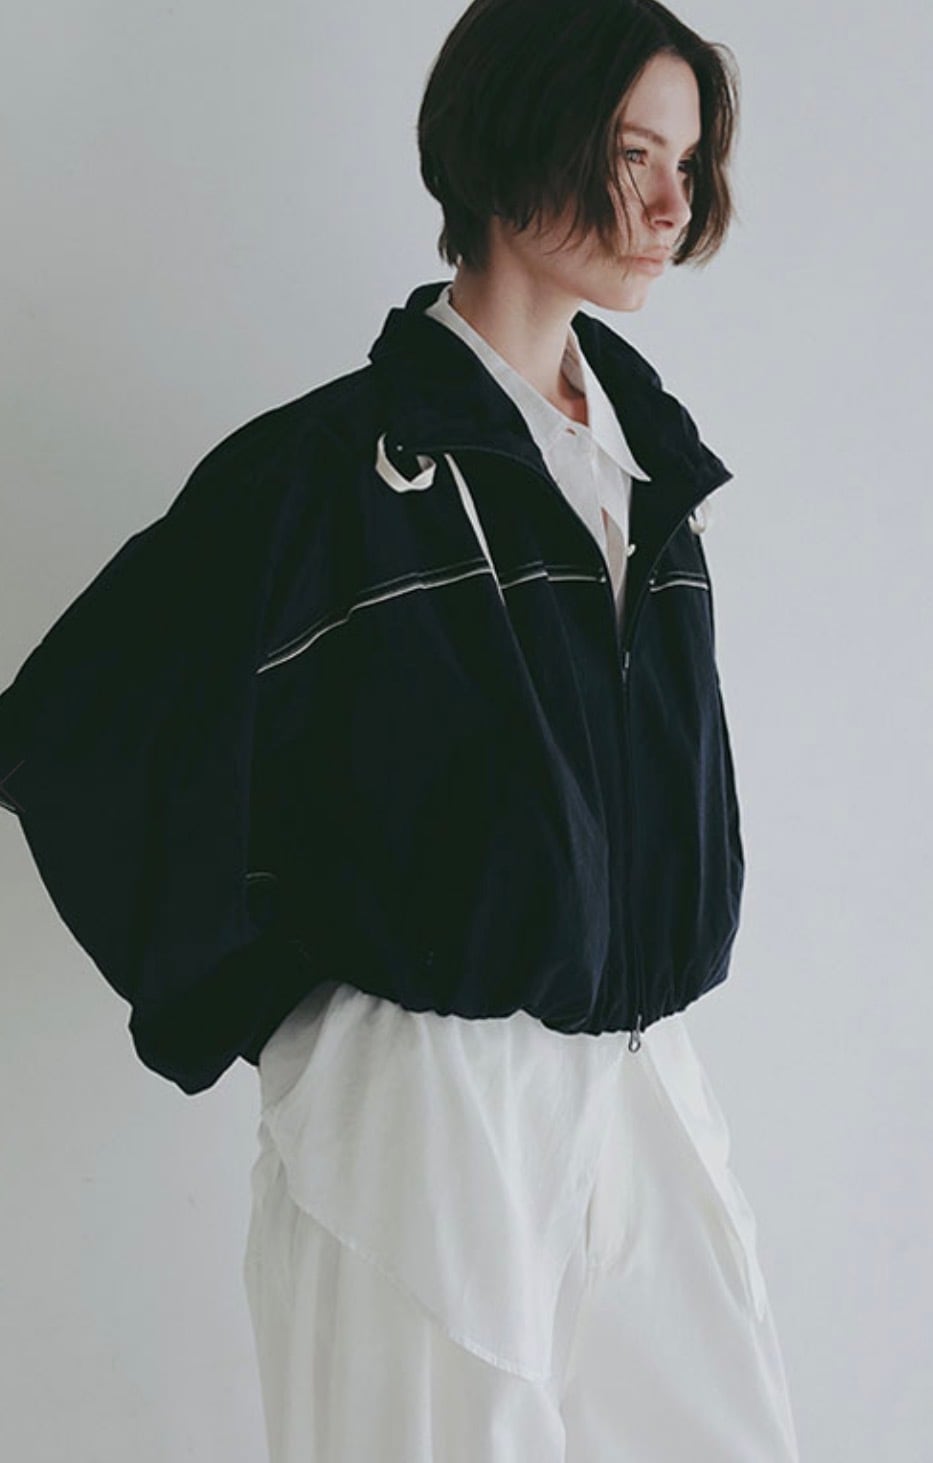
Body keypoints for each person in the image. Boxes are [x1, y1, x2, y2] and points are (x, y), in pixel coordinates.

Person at [0, 0, 801, 1457]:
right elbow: (73, 731)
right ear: (515, 141)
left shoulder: (651, 467)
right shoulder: (333, 471)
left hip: (641, 1082)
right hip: (425, 1109)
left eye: (686, 164)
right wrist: (291, 996)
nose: (670, 206)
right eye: (632, 154)